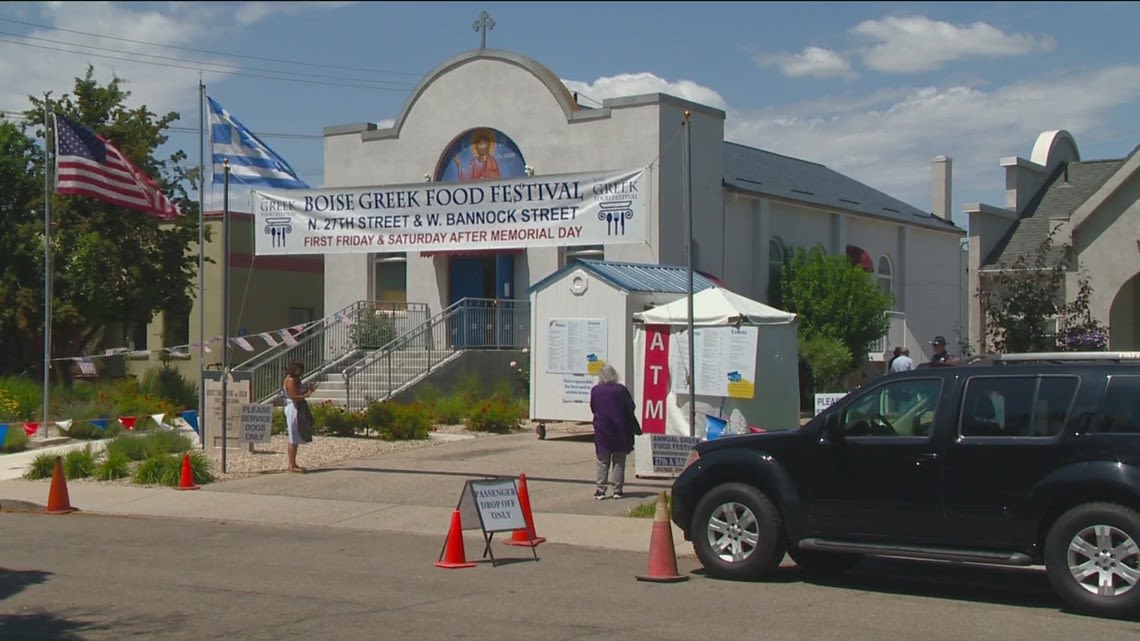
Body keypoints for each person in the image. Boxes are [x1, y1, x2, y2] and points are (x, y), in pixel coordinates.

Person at [588, 363, 638, 500]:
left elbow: (593, 407)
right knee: (619, 461)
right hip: (620, 429)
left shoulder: (596, 390)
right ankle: (617, 490)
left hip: (602, 429)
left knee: (602, 461)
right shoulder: (621, 390)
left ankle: (600, 490)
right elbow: (631, 407)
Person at [283, 361, 317, 473]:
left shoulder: (294, 379)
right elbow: (294, 397)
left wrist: (308, 390)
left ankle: (293, 463)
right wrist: (307, 394)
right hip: (293, 407)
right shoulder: (291, 380)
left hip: (295, 406)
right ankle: (291, 464)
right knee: (293, 436)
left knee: (295, 436)